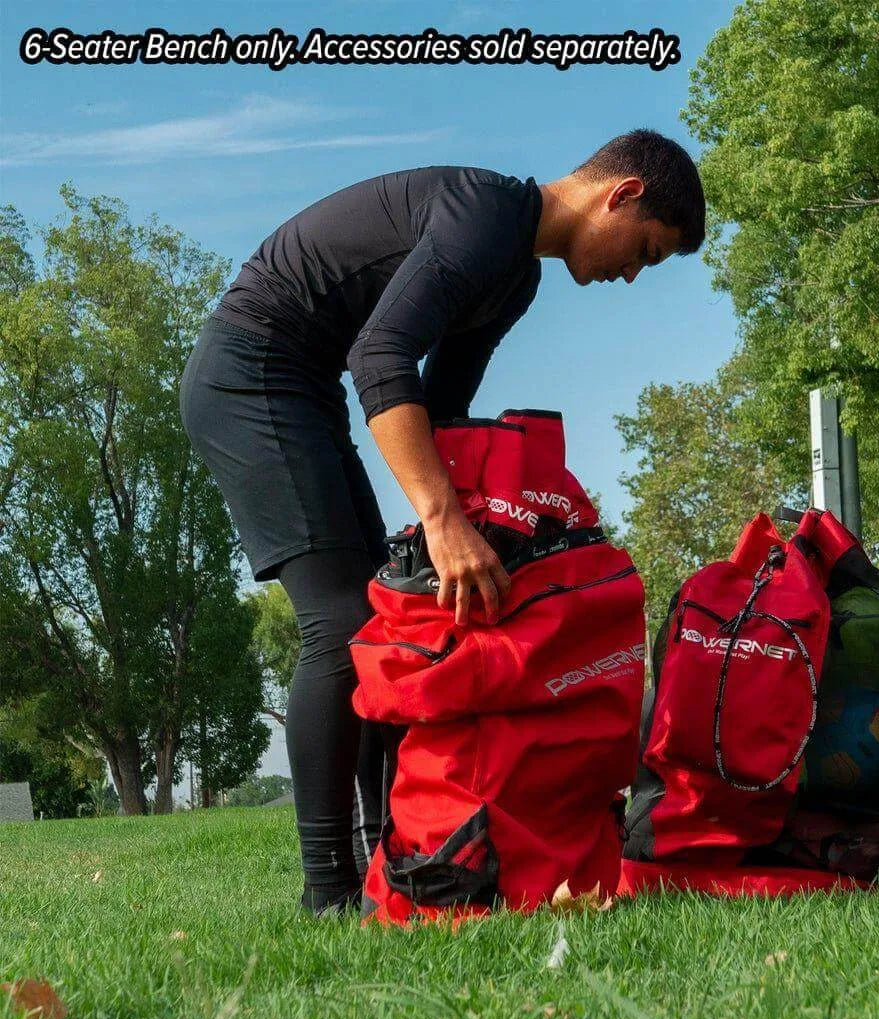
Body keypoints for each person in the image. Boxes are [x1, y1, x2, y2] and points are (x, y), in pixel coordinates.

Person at [177, 127, 705, 916]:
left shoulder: (515, 274)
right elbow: (380, 357)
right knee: (342, 622)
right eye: (646, 250)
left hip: (303, 390)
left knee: (387, 626)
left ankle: (388, 863)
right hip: (249, 375)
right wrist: (438, 518)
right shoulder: (486, 215)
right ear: (621, 195)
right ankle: (328, 891)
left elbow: (444, 406)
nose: (631, 274)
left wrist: (483, 524)